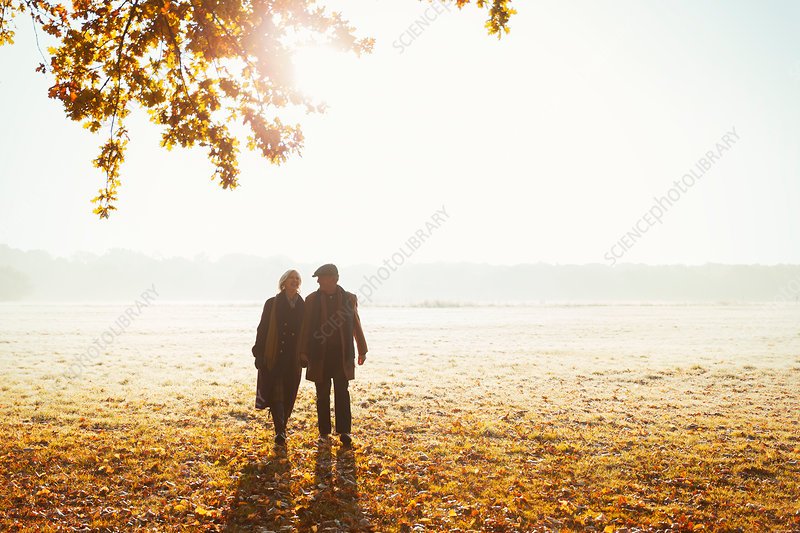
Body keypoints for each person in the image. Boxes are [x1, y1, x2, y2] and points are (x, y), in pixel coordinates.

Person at [298, 263, 368, 446]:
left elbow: (356, 325)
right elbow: (305, 328)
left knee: (342, 392)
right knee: (322, 394)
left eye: (321, 278)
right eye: (318, 278)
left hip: (342, 354)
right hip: (318, 354)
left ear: (334, 279)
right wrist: (303, 352)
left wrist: (362, 350)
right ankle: (324, 432)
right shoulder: (311, 300)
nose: (319, 281)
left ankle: (344, 432)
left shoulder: (349, 298)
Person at [252, 269, 304, 446]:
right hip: (274, 355)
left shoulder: (303, 305)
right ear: (284, 282)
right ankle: (280, 430)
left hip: (293, 358)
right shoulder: (272, 303)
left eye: (297, 278)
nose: (295, 281)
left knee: (289, 394)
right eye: (292, 278)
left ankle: (283, 425)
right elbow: (263, 329)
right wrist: (258, 353)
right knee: (277, 394)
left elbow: (307, 331)